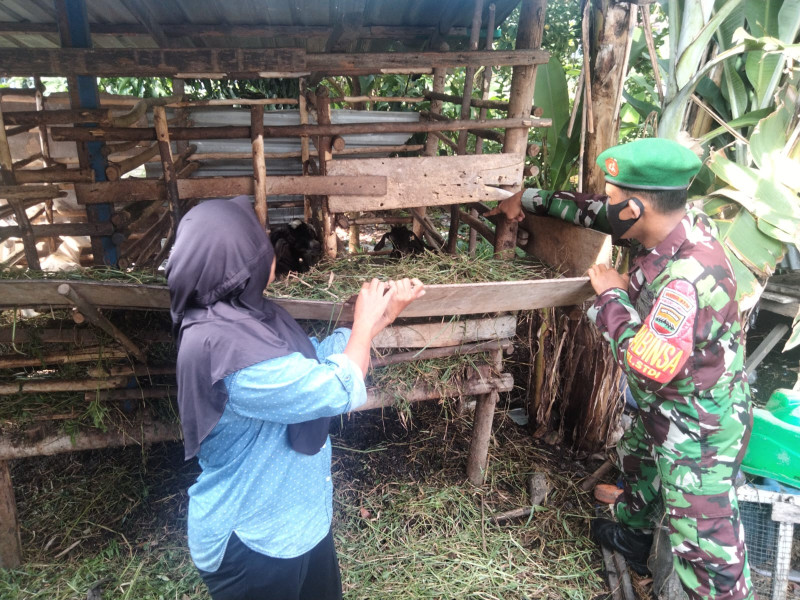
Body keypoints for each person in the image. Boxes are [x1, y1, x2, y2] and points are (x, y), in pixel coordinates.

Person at [487, 138, 754, 600]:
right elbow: (591, 210)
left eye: (614, 198)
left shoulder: (687, 279)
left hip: (699, 428)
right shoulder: (674, 224)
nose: (605, 204)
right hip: (665, 407)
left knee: (709, 556)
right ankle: (634, 538)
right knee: (638, 460)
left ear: (635, 209)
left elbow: (645, 365)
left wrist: (610, 295)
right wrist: (526, 200)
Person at [166, 195, 425, 600]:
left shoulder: (243, 315)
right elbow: (334, 387)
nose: (269, 253)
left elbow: (312, 363)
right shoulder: (224, 352)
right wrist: (362, 322)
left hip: (300, 520)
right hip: (254, 539)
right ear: (233, 265)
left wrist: (383, 316)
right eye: (257, 246)